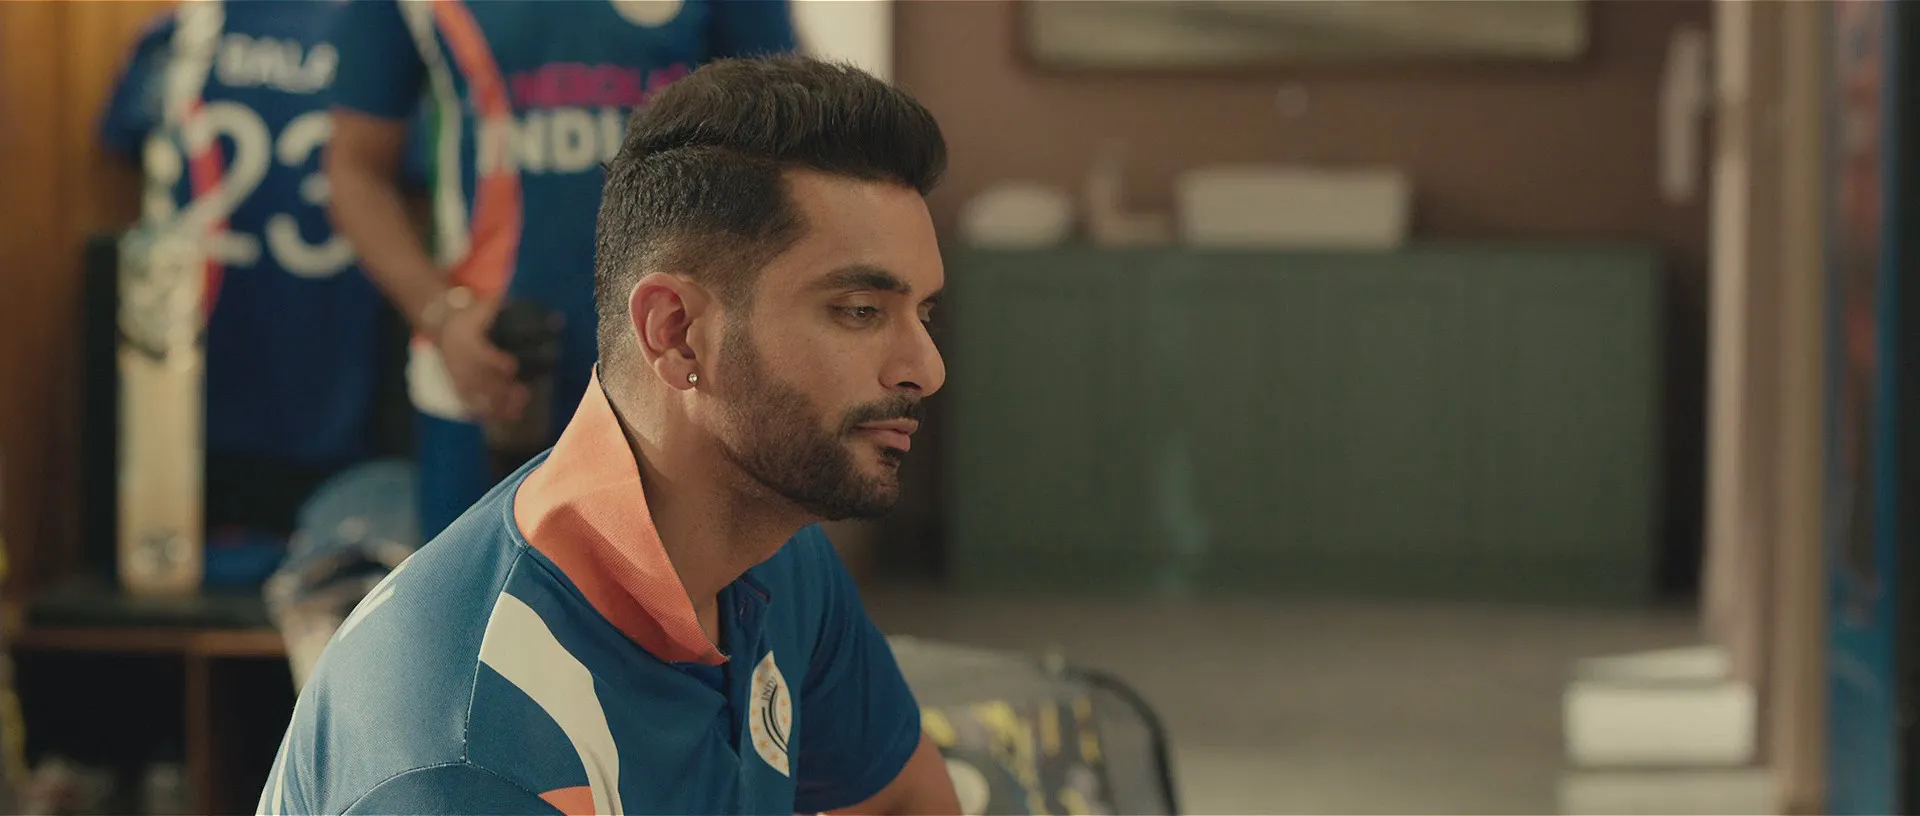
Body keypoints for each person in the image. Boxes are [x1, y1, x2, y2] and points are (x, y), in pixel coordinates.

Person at [257, 55, 960, 815]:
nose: (927, 368)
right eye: (860, 311)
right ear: (676, 333)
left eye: (923, 314)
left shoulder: (771, 543)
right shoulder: (475, 763)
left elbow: (905, 801)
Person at [324, 0, 799, 541]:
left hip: (678, 370)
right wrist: (443, 315)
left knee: (678, 595)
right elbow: (355, 170)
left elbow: (784, 152)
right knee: (477, 593)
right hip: (483, 366)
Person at [100, 0, 389, 544]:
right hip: (324, 394)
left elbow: (122, 138)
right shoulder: (378, 38)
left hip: (199, 398)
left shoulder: (181, 36)